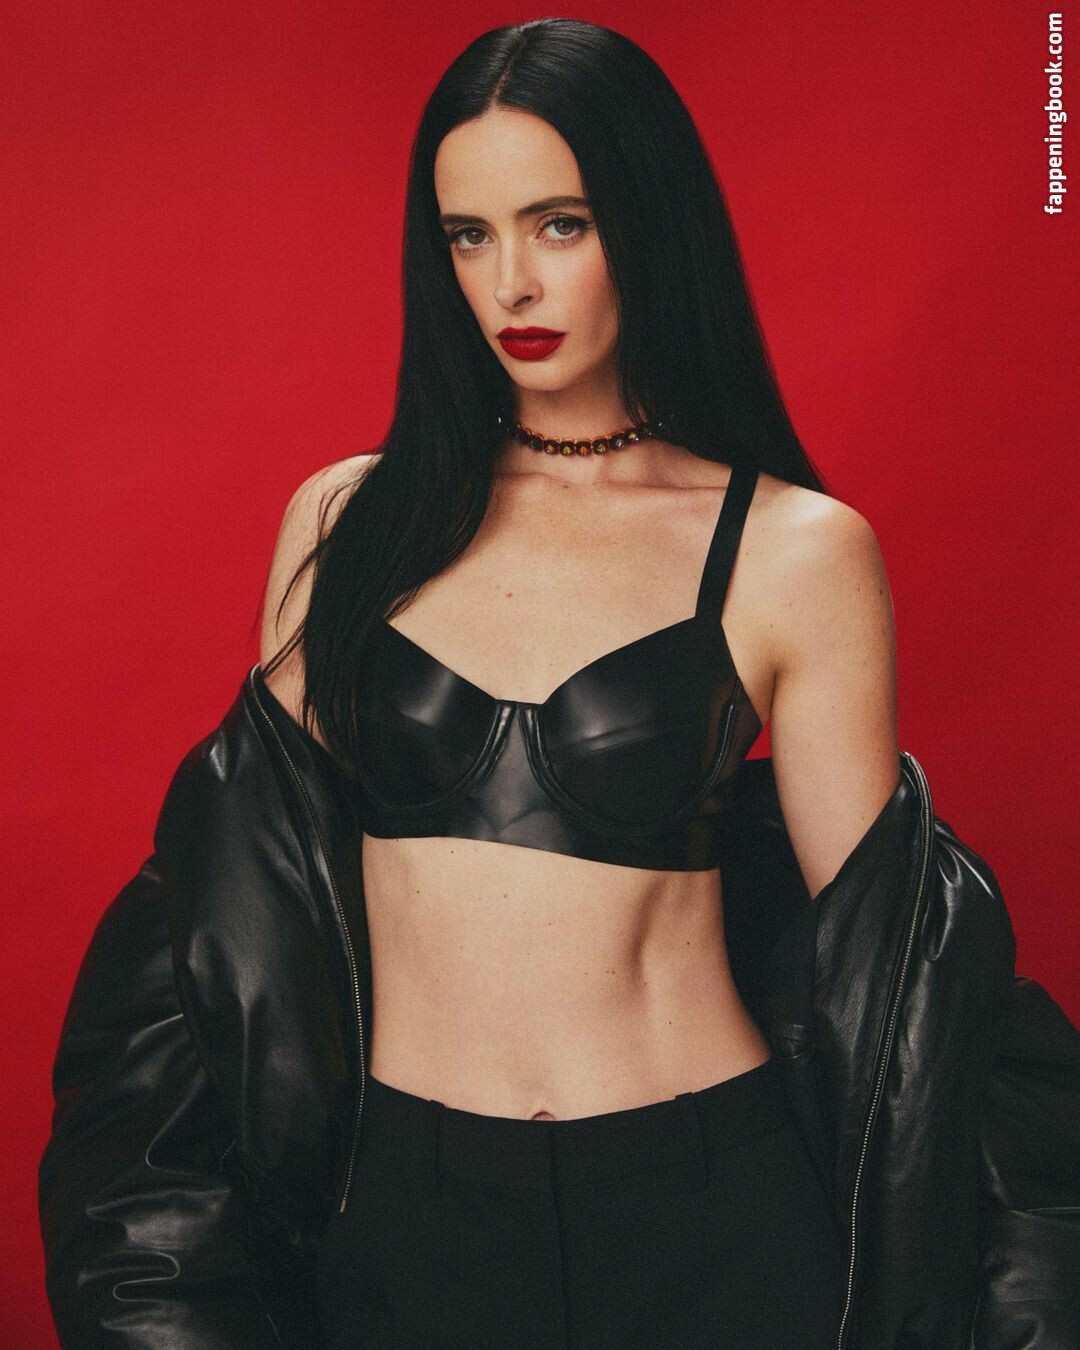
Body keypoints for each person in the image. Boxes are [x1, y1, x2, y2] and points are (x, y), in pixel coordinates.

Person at [39, 18, 1080, 1350]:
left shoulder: (792, 547)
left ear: (647, 222)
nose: (512, 283)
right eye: (469, 236)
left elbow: (896, 966)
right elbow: (241, 900)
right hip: (406, 1208)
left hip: (709, 1197)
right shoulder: (349, 522)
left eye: (561, 225)